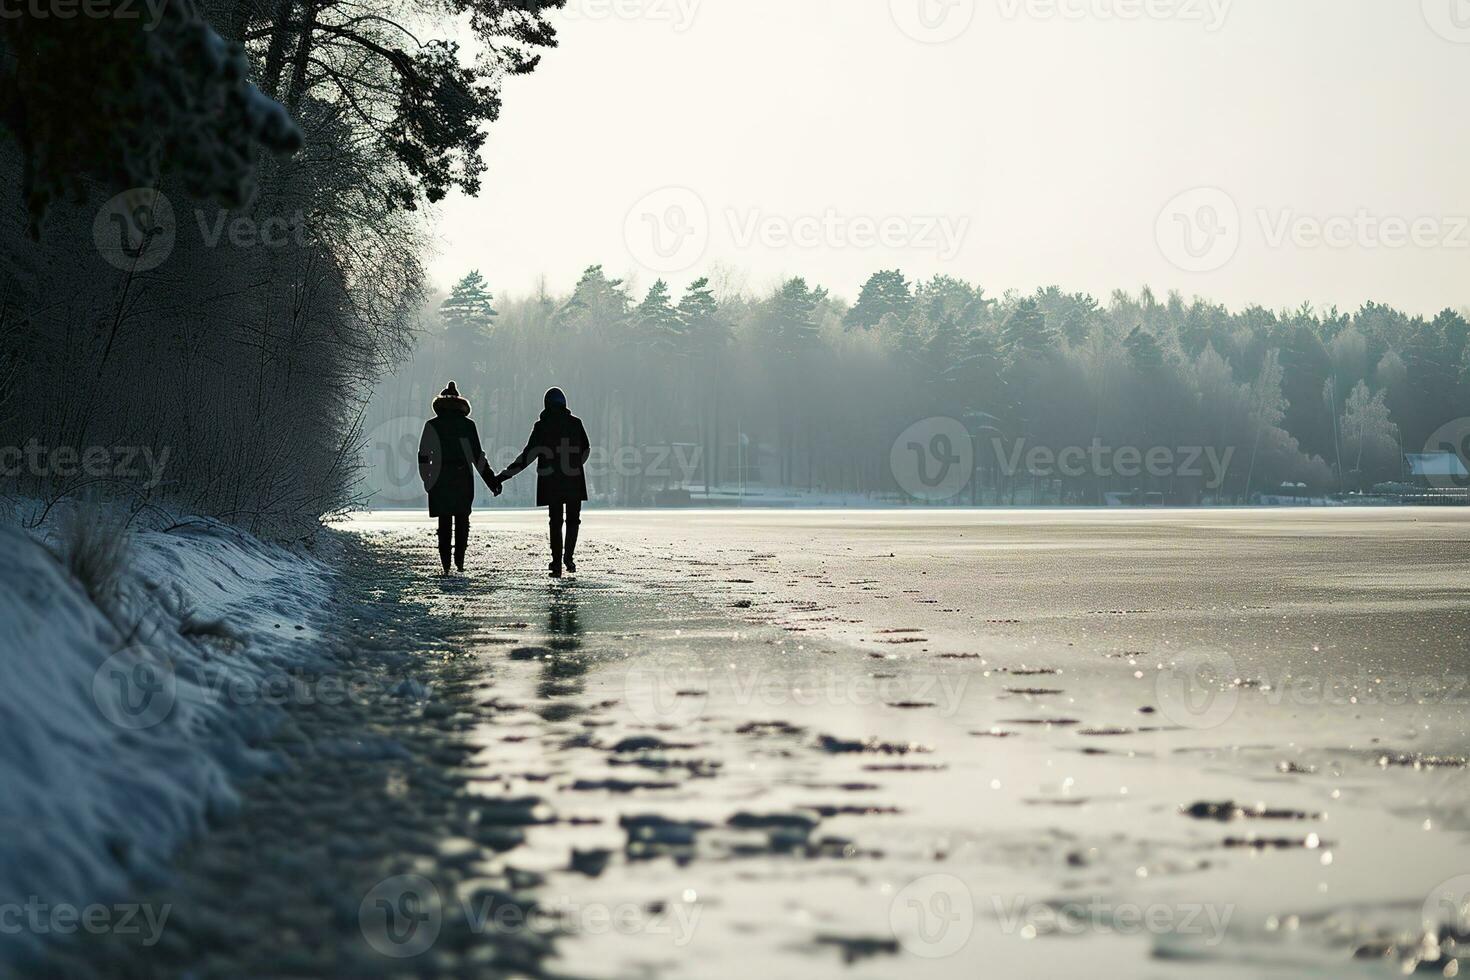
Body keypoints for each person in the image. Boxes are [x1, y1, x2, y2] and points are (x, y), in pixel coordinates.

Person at [496, 387, 590, 577]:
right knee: (573, 520)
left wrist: (503, 477)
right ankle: (568, 558)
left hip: (552, 480)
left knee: (555, 521)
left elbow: (527, 456)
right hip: (573, 479)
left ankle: (556, 563)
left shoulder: (542, 426)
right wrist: (575, 465)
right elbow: (586, 448)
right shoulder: (576, 423)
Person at [418, 382, 500, 576]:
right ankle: (460, 561)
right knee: (462, 520)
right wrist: (492, 482)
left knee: (444, 522)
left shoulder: (432, 425)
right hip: (462, 477)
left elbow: (423, 455)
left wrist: (427, 479)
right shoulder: (467, 425)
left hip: (439, 478)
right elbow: (477, 457)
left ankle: (445, 564)